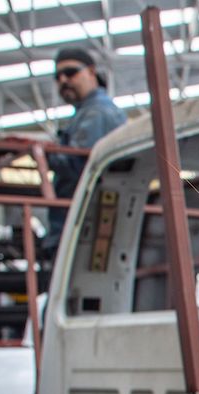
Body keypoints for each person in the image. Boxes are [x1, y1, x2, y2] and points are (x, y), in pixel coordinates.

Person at [43, 46, 127, 251]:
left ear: (91, 72)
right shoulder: (85, 114)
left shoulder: (98, 113)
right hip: (79, 223)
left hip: (84, 224)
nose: (63, 80)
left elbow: (77, 163)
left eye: (71, 73)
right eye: (58, 76)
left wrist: (40, 152)